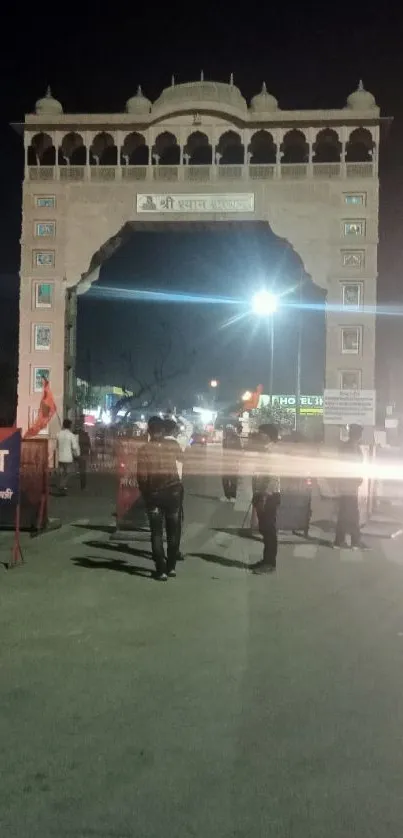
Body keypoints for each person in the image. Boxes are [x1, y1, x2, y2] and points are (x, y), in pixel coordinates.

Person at [137, 416, 184, 581]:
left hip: (154, 494)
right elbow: (182, 460)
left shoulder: (144, 449)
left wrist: (145, 494)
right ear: (163, 431)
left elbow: (142, 477)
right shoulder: (172, 445)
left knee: (156, 532)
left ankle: (161, 569)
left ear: (149, 430)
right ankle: (171, 567)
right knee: (173, 530)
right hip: (174, 492)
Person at [250, 423, 281, 573]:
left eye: (260, 433)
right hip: (261, 494)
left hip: (269, 496)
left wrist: (263, 497)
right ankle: (265, 560)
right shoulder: (264, 451)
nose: (258, 435)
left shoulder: (272, 452)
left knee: (269, 530)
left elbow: (273, 478)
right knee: (264, 528)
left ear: (268, 435)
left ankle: (270, 563)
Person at [334, 424, 368, 550]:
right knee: (352, 513)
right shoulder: (350, 448)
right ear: (356, 435)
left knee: (346, 512)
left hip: (348, 485)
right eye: (359, 434)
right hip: (349, 485)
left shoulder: (349, 447)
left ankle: (341, 540)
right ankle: (354, 541)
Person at [164, 418, 185, 561]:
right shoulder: (177, 443)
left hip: (156, 486)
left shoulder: (152, 443)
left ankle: (158, 554)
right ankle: (174, 553)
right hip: (174, 485)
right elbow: (182, 459)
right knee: (175, 521)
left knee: (157, 524)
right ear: (174, 430)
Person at [56, 419, 80, 494]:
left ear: (63, 425)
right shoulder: (71, 435)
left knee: (63, 472)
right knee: (69, 472)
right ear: (70, 426)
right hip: (68, 457)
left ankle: (62, 485)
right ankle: (62, 486)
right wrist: (77, 454)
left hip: (60, 457)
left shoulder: (58, 434)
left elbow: (57, 445)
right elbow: (75, 447)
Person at [221, 423, 242, 501]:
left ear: (232, 430)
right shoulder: (224, 439)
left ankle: (233, 496)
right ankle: (227, 496)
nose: (228, 431)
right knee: (224, 479)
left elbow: (239, 450)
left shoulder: (237, 438)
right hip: (225, 462)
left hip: (233, 462)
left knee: (233, 479)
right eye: (227, 430)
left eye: (229, 429)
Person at [76, 421, 91, 490]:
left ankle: (82, 483)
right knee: (83, 470)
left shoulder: (76, 436)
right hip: (84, 455)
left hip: (78, 454)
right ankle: (83, 485)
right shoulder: (86, 436)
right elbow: (89, 446)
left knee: (80, 468)